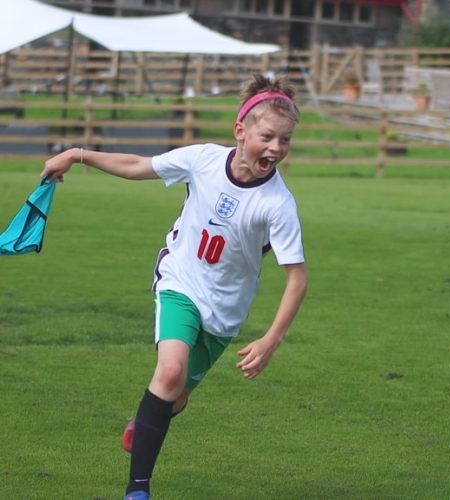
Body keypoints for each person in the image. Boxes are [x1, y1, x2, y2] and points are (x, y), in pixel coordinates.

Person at [41, 73, 308, 500]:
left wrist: (271, 339)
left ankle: (148, 418)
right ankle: (137, 490)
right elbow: (137, 166)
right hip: (180, 280)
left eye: (286, 140)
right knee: (168, 372)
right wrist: (76, 154)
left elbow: (297, 279)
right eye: (267, 136)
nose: (276, 148)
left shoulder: (278, 204)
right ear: (241, 131)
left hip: (225, 312)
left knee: (174, 398)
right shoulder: (202, 160)